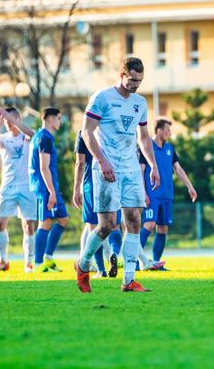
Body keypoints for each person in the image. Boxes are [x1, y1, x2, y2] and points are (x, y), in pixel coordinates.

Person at [75, 57, 160, 293]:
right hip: (106, 169)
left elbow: (144, 137)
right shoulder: (102, 98)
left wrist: (152, 165)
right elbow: (86, 132)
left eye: (140, 81)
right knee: (107, 226)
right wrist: (102, 161)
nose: (136, 85)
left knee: (134, 221)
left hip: (131, 169)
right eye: (132, 80)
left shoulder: (140, 103)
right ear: (122, 75)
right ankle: (83, 265)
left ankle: (128, 280)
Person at [139, 118, 197, 271]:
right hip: (152, 194)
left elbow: (178, 169)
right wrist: (143, 193)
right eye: (167, 130)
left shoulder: (170, 148)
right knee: (149, 224)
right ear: (158, 130)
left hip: (167, 194)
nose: (169, 134)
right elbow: (141, 171)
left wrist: (190, 186)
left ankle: (156, 263)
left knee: (163, 228)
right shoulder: (147, 147)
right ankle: (134, 261)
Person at [0, 106, 36, 273]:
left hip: (26, 186)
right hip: (8, 186)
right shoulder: (3, 138)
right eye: (6, 121)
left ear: (18, 119)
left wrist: (12, 119)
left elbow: (33, 134)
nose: (9, 123)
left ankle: (29, 263)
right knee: (0, 223)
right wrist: (0, 122)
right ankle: (3, 261)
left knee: (28, 224)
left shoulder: (26, 136)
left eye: (11, 119)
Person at [72, 130, 123, 278]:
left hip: (91, 184)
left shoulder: (83, 133)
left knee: (94, 228)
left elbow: (80, 163)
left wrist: (76, 188)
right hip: (112, 180)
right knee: (115, 226)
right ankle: (114, 253)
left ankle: (101, 270)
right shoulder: (110, 129)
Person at [29, 107, 68, 272]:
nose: (60, 122)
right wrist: (51, 191)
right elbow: (44, 167)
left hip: (50, 186)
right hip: (45, 188)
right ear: (51, 119)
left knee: (63, 219)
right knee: (45, 223)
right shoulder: (44, 138)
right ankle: (38, 264)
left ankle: (48, 258)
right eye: (58, 118)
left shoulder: (41, 136)